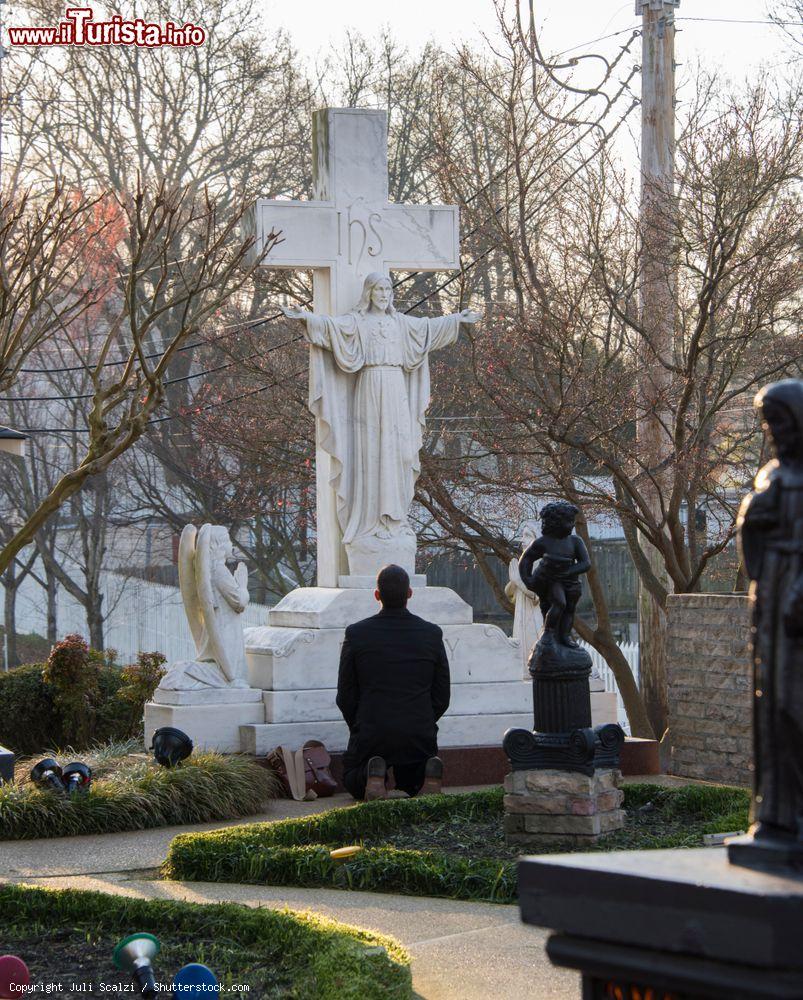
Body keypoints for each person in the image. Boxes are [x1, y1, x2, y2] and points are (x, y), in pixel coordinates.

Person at [336, 564, 451, 800]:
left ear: (376, 595)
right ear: (410, 594)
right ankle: (425, 774)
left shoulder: (357, 633)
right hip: (418, 730)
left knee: (351, 775)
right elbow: (442, 695)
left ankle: (371, 774)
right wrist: (425, 719)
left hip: (372, 728)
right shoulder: (431, 633)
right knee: (412, 777)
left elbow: (345, 695)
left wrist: (358, 725)